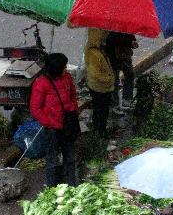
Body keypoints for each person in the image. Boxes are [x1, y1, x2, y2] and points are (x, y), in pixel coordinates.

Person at [30, 52, 78, 187]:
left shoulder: (67, 77)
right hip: (52, 128)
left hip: (67, 124)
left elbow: (73, 95)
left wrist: (73, 109)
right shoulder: (41, 83)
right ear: (56, 68)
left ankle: (72, 185)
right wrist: (50, 123)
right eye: (64, 67)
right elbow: (35, 109)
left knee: (70, 156)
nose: (66, 69)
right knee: (52, 159)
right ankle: (52, 187)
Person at [84, 28, 115, 137]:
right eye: (103, 33)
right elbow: (95, 74)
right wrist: (109, 78)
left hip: (103, 87)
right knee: (100, 111)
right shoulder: (93, 53)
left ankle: (100, 131)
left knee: (103, 111)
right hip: (99, 88)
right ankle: (99, 133)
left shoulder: (99, 49)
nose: (105, 35)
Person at [104, 31, 138, 110]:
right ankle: (114, 104)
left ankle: (127, 99)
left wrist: (133, 41)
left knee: (129, 75)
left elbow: (130, 36)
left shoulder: (126, 25)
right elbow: (112, 39)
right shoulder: (109, 28)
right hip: (113, 56)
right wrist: (129, 42)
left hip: (125, 55)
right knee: (114, 80)